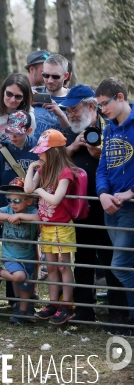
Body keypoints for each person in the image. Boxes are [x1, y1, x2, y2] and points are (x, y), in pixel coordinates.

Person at [59, 84, 127, 323]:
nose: (71, 114)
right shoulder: (68, 135)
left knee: (112, 260)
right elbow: (51, 165)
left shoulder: (111, 129)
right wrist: (73, 147)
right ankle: (84, 310)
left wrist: (100, 154)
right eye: (67, 111)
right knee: (84, 259)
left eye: (74, 109)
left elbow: (120, 167)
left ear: (91, 106)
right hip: (78, 209)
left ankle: (118, 312)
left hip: (109, 206)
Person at [25, 129, 79, 324]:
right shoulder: (42, 169)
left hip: (61, 227)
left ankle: (67, 306)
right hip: (46, 227)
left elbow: (56, 199)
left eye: (42, 151)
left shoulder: (65, 172)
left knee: (64, 266)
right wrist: (31, 168)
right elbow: (28, 189)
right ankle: (54, 304)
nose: (39, 155)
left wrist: (39, 190)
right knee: (52, 267)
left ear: (54, 152)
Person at [95, 77, 134, 334]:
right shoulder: (109, 128)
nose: (102, 110)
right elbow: (103, 167)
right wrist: (102, 194)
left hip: (130, 207)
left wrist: (129, 193)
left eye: (105, 103)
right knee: (124, 265)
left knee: (120, 265)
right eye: (98, 106)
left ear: (120, 97)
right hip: (111, 207)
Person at [0, 177, 40, 324]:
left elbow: (40, 218)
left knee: (25, 287)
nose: (12, 204)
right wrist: (9, 216)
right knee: (19, 277)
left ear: (29, 200)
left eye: (17, 201)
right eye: (9, 200)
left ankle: (22, 312)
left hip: (27, 256)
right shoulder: (8, 210)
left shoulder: (32, 211)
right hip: (10, 256)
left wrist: (21, 216)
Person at [0, 73, 35, 156]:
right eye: (9, 94)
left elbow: (29, 147)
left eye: (18, 96)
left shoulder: (29, 116)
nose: (12, 100)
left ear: (24, 98)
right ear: (3, 91)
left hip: (15, 163)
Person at [0, 110, 39, 190]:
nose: (13, 136)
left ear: (29, 131)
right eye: (10, 132)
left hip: (32, 199)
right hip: (8, 200)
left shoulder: (38, 150)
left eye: (18, 133)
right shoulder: (2, 152)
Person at [31, 54, 72, 140]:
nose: (50, 80)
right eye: (46, 75)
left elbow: (74, 137)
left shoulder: (74, 100)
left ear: (66, 76)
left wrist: (60, 115)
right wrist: (24, 103)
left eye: (55, 76)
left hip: (59, 152)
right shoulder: (31, 93)